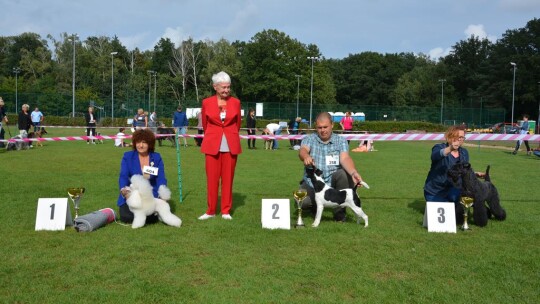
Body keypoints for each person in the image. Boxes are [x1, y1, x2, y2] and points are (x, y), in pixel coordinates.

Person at [298, 112, 365, 222]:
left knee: (344, 174)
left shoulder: (341, 140)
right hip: (313, 183)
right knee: (303, 201)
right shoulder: (309, 139)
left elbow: (345, 158)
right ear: (316, 127)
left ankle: (340, 211)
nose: (323, 130)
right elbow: (303, 150)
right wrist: (305, 156)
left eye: (325, 127)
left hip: (333, 182)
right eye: (319, 127)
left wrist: (354, 172)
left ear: (332, 125)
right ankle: (315, 207)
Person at [199, 71, 242, 220]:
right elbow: (205, 124)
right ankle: (210, 210)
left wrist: (229, 136)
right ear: (215, 87)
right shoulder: (206, 102)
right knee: (212, 179)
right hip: (212, 145)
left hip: (230, 145)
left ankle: (225, 211)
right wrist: (213, 136)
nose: (226, 90)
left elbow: (237, 124)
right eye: (223, 87)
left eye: (228, 87)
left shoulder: (236, 102)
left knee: (228, 179)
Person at [423, 125, 484, 224]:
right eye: (458, 137)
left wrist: (475, 173)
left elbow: (463, 171)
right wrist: (450, 148)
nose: (460, 140)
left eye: (462, 137)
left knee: (468, 199)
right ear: (450, 136)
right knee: (447, 211)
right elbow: (435, 156)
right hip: (435, 191)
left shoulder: (464, 152)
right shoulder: (439, 147)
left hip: (454, 189)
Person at [117, 129, 167, 223]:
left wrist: (162, 194)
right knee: (126, 217)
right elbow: (123, 176)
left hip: (150, 196)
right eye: (138, 142)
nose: (141, 145)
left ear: (150, 144)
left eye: (144, 142)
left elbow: (161, 178)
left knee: (149, 216)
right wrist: (124, 190)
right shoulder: (127, 156)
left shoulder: (156, 157)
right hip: (131, 195)